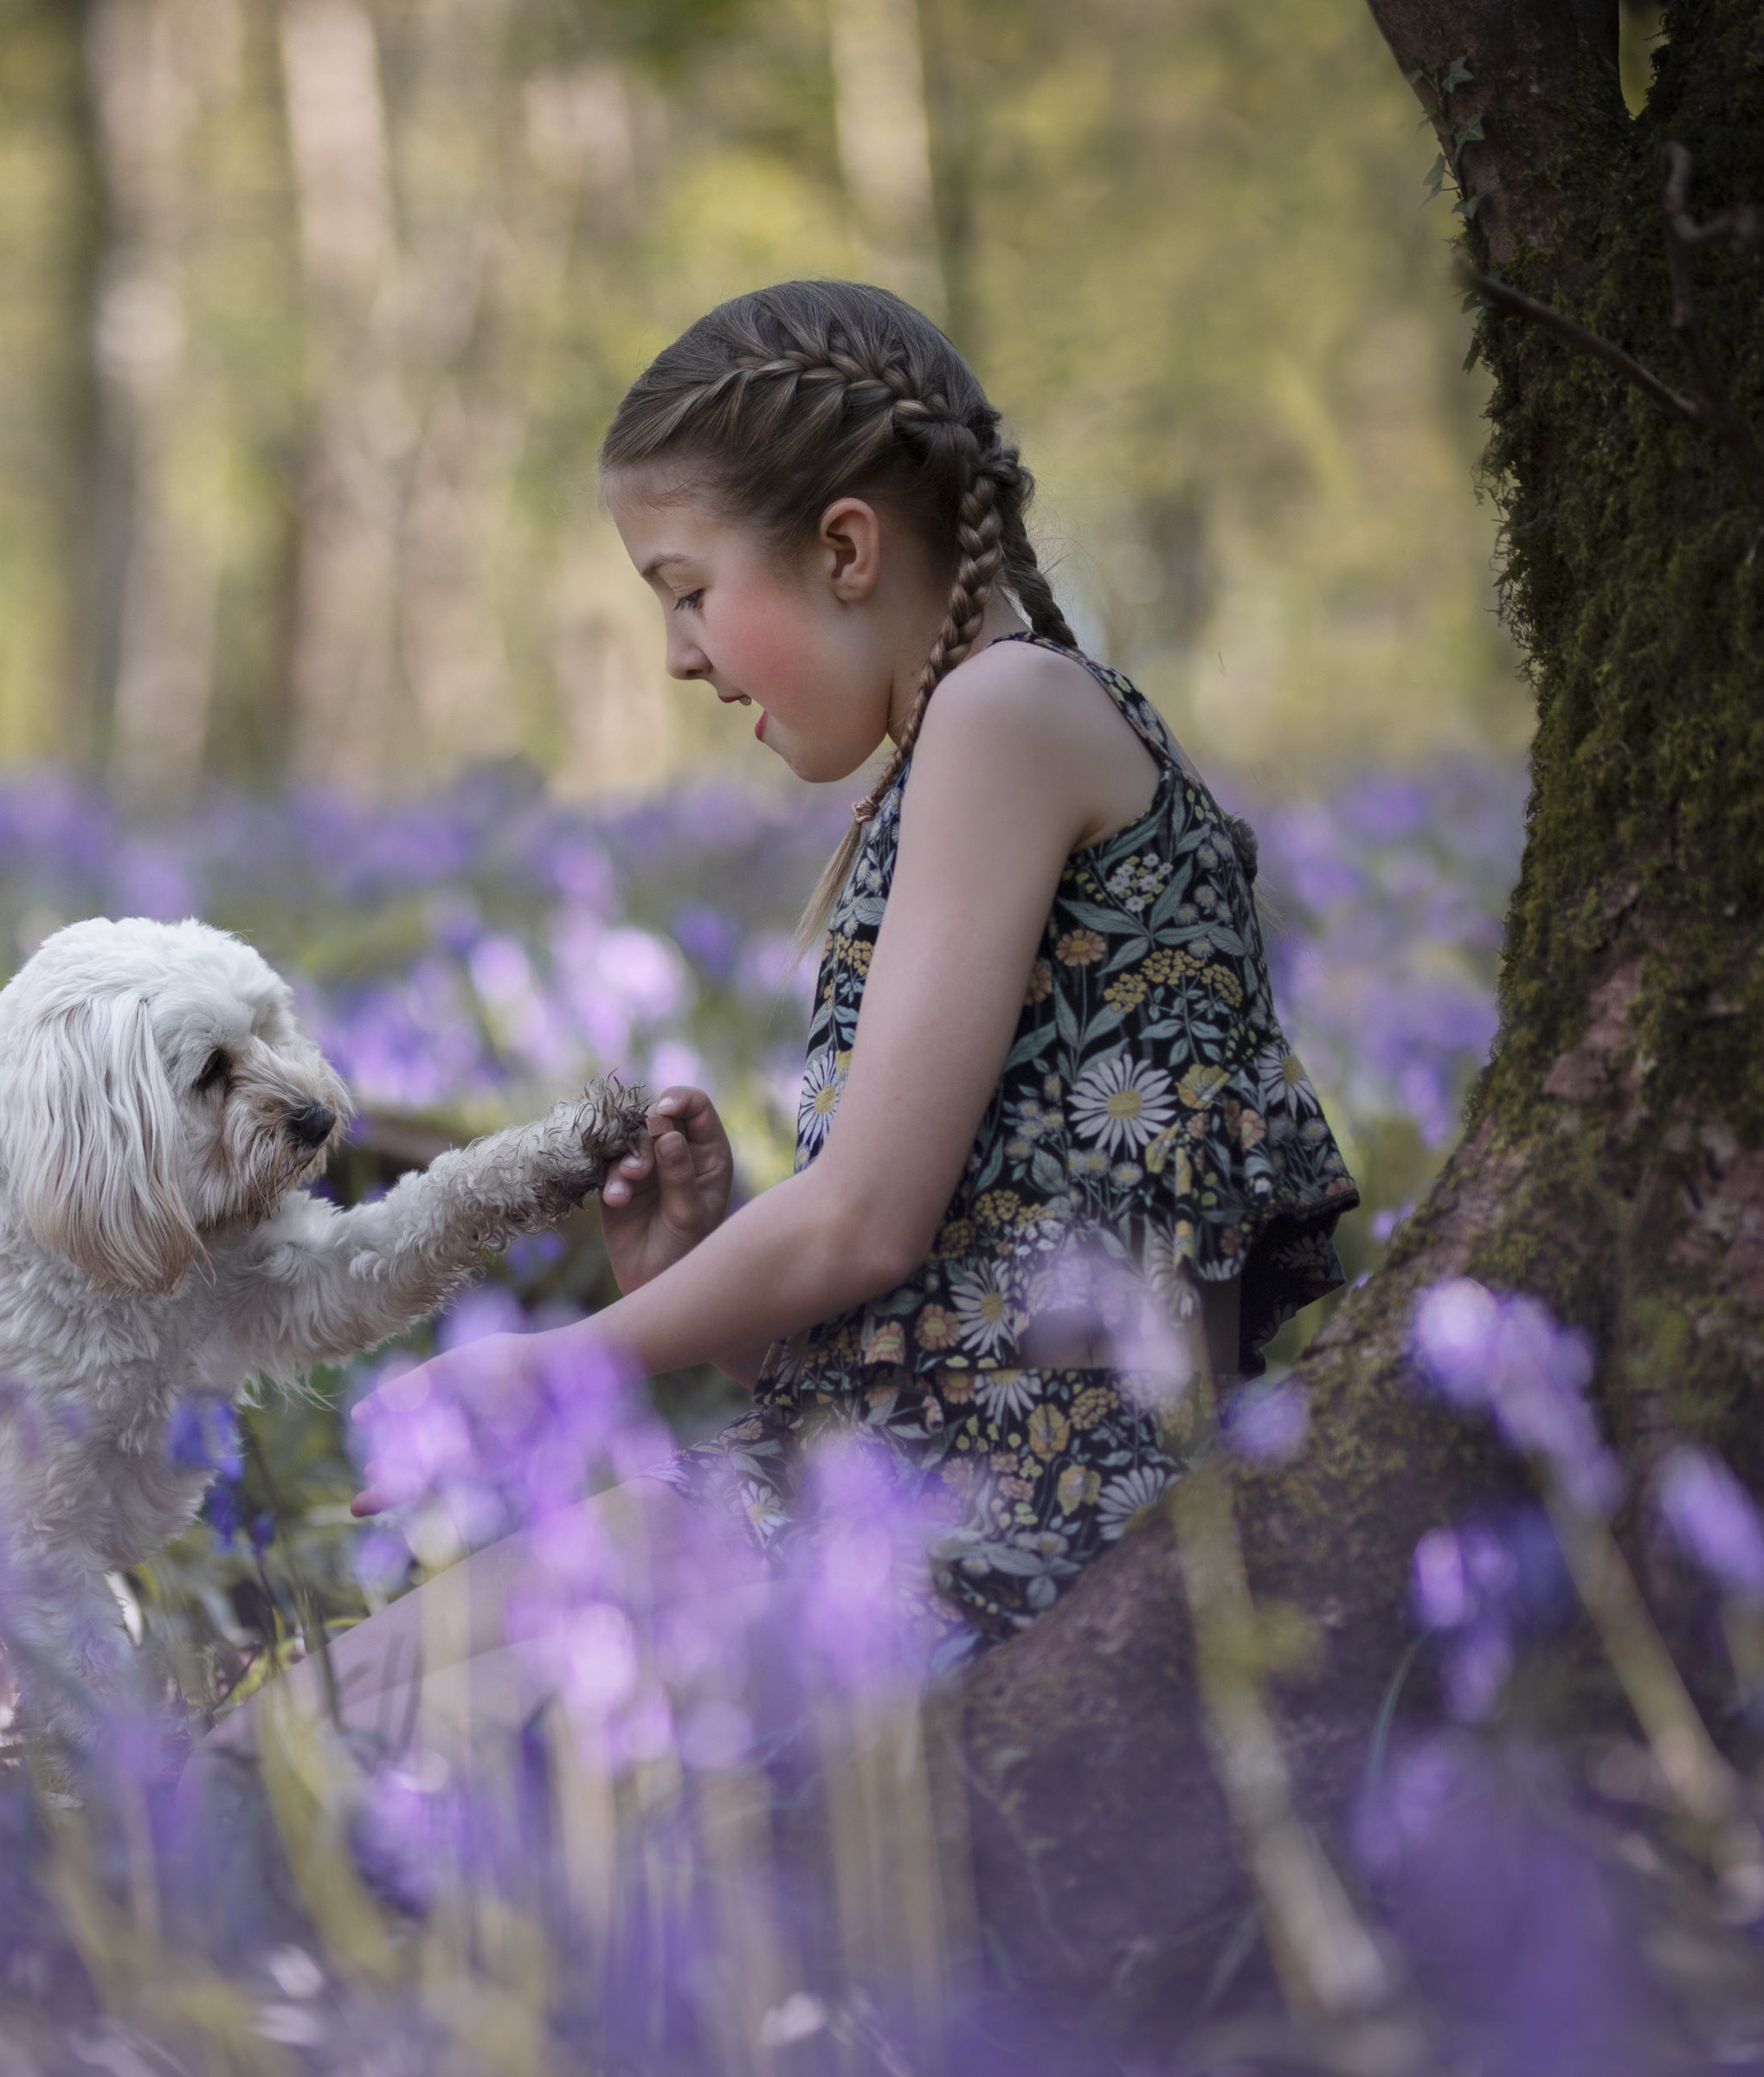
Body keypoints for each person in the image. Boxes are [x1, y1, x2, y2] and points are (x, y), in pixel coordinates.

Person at [222, 278, 1358, 1744]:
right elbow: (959, 1324)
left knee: (299, 1764)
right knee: (283, 1743)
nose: (679, 653)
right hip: (930, 1499)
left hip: (1008, 1542)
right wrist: (689, 1282)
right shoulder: (977, 739)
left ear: (842, 547)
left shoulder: (1003, 715)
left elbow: (867, 1227)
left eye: (689, 590)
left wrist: (542, 1373)